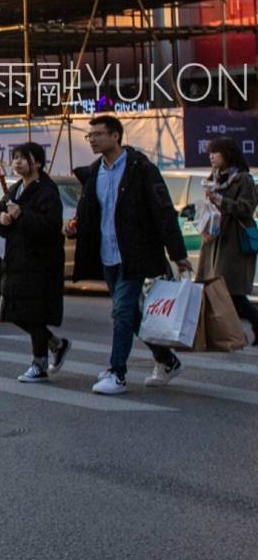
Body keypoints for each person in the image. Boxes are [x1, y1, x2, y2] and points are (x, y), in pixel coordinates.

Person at [66, 114, 192, 395]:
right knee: (131, 315)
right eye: (90, 136)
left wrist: (178, 254)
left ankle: (117, 373)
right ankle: (167, 360)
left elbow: (163, 212)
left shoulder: (141, 169)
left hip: (135, 254)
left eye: (98, 134)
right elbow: (91, 211)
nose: (93, 140)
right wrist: (75, 226)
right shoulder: (93, 172)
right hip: (107, 254)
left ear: (115, 136)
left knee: (122, 310)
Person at [0, 142, 69, 382]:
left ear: (37, 163)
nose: (17, 162)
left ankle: (39, 364)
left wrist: (22, 215)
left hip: (40, 264)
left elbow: (49, 227)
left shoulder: (47, 191)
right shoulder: (15, 189)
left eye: (23, 158)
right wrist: (1, 219)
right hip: (16, 262)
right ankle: (56, 344)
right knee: (15, 311)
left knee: (34, 314)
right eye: (14, 158)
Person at [197, 137, 258, 343]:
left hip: (234, 241)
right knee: (217, 288)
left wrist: (220, 200)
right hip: (214, 238)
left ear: (228, 154)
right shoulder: (213, 178)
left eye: (216, 152)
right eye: (210, 153)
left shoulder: (243, 179)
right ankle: (229, 334)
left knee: (231, 290)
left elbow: (246, 208)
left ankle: (241, 330)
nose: (211, 157)